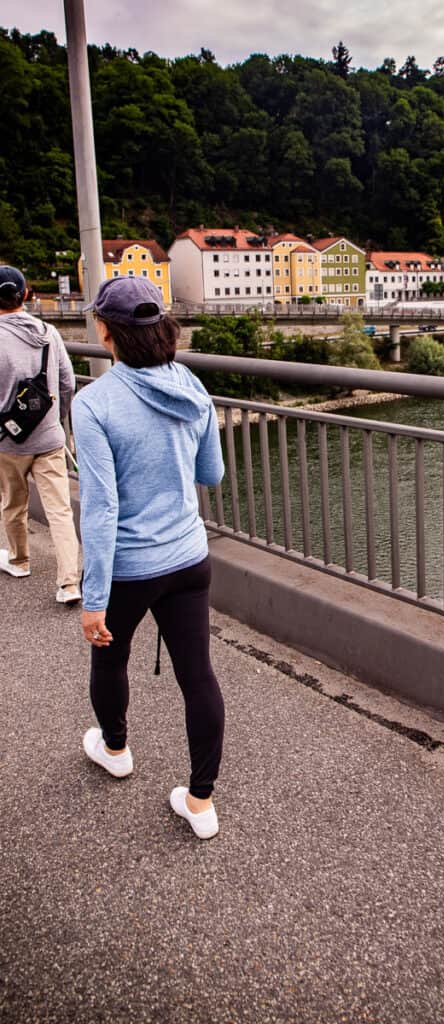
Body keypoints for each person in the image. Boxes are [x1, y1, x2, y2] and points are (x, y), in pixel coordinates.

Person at [71, 276, 226, 839]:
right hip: (189, 558)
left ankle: (115, 749)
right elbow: (212, 473)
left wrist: (93, 598)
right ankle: (201, 802)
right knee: (198, 676)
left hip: (130, 569)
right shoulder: (190, 385)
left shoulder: (92, 404)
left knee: (110, 658)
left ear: (105, 331)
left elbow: (102, 508)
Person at [0, 265, 81, 603]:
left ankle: (19, 561)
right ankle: (69, 584)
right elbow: (67, 383)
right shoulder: (49, 332)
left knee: (13, 504)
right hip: (48, 438)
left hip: (7, 440)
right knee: (60, 510)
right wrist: (55, 421)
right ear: (27, 294)